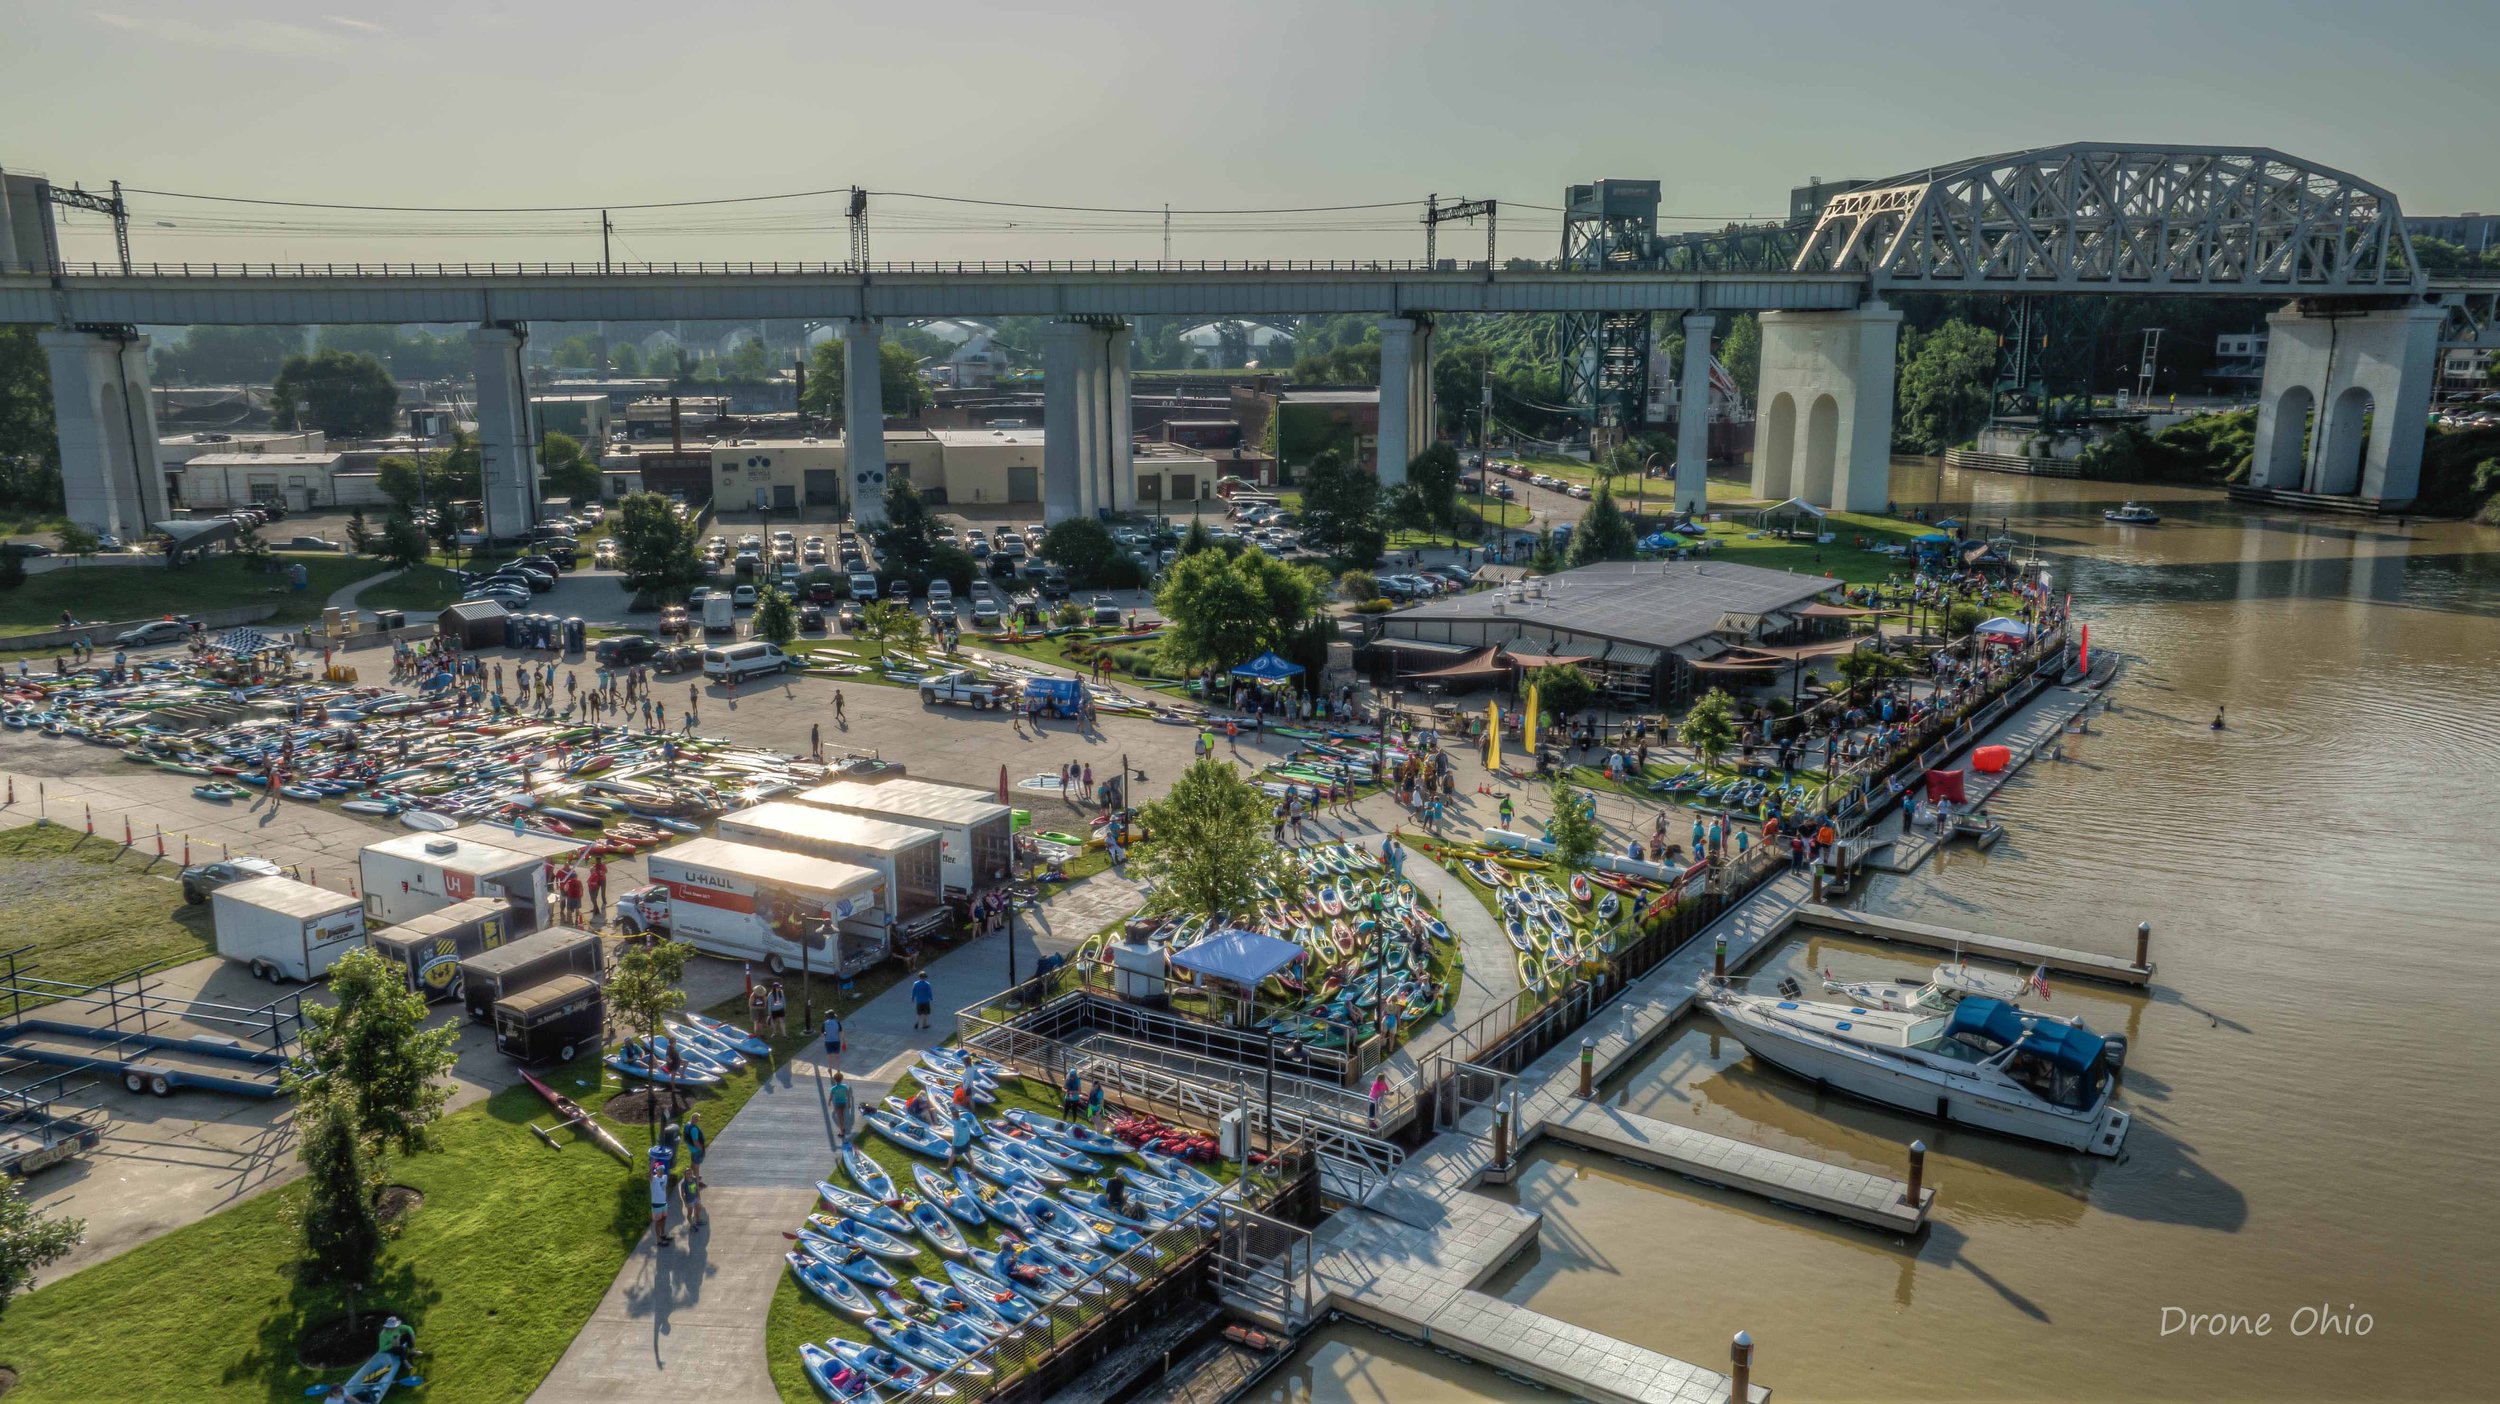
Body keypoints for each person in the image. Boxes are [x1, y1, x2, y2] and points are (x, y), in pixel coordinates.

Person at [678, 1162, 708, 1233]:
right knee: (689, 1213)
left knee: (699, 1208)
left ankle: (698, 1220)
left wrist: (698, 1196)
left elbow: (697, 1186)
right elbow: (682, 1194)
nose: (689, 1175)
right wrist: (685, 1202)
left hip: (695, 1198)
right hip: (689, 1200)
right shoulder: (684, 1184)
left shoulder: (694, 1179)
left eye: (690, 1173)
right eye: (688, 1173)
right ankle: (692, 1225)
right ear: (685, 1175)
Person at [649, 1165, 674, 1247]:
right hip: (656, 1203)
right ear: (656, 1170)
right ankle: (658, 1239)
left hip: (663, 1202)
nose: (661, 1171)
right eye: (659, 1169)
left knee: (663, 1219)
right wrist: (651, 1165)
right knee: (658, 1221)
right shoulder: (653, 1179)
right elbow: (649, 1175)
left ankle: (663, 1234)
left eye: (662, 1169)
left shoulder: (665, 1177)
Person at [829, 1071, 853, 1142]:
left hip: (837, 1104)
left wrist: (829, 1102)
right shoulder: (845, 1086)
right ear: (842, 1079)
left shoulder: (833, 1088)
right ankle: (842, 1128)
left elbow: (831, 1096)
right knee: (842, 1116)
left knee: (840, 1117)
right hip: (844, 1103)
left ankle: (842, 1131)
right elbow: (848, 1095)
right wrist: (849, 1104)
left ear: (834, 1079)